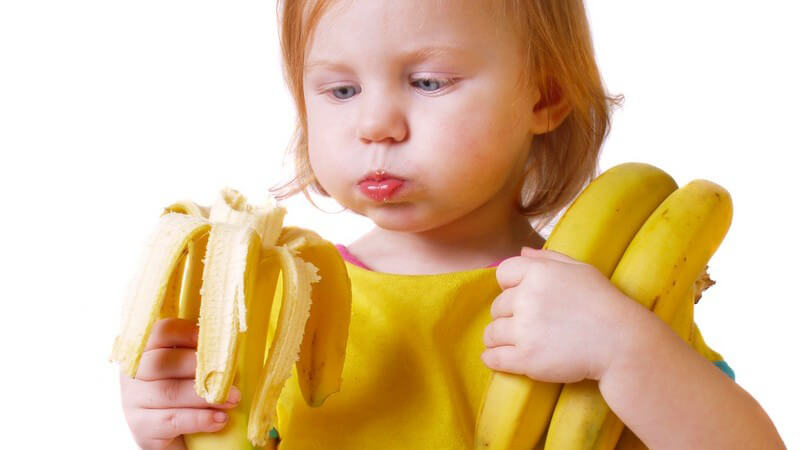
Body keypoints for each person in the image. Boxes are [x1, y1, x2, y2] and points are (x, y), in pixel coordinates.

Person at [118, 0, 786, 448]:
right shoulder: (276, 304)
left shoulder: (600, 301)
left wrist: (626, 353)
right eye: (340, 90)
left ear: (544, 94)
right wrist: (166, 425)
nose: (375, 124)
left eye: (429, 82)